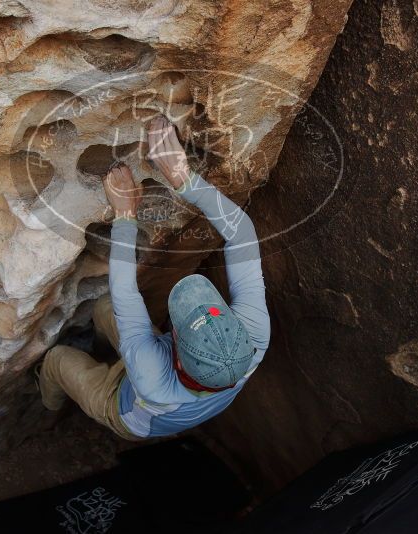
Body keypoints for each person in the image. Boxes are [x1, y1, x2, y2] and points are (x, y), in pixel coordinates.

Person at [37, 116, 270, 440]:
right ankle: (104, 352)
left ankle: (48, 411)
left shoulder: (151, 374)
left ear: (175, 343)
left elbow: (126, 293)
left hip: (127, 413)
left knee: (57, 360)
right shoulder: (255, 337)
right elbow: (242, 234)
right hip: (184, 396)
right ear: (236, 325)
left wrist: (124, 216)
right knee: (104, 309)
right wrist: (184, 178)